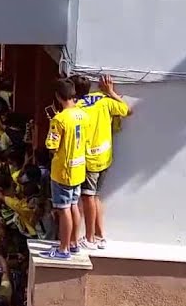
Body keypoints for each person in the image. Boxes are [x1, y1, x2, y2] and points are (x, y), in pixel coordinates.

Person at [72, 73, 130, 250]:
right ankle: (99, 236)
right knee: (95, 196)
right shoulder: (103, 100)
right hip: (105, 157)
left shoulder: (76, 108)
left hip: (89, 159)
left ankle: (89, 238)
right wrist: (111, 92)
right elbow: (127, 110)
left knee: (88, 197)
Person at [41, 79, 88, 260]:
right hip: (79, 169)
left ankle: (63, 248)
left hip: (63, 171)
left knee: (63, 209)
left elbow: (52, 146)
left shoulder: (59, 119)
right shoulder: (83, 115)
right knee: (74, 205)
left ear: (58, 96)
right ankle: (73, 243)